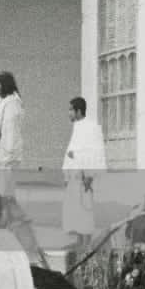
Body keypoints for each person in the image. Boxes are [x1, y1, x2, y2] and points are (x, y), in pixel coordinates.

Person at [62, 97, 106, 246]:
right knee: (75, 212)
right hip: (74, 178)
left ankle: (86, 244)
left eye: (70, 110)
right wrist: (67, 174)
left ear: (78, 111)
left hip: (85, 178)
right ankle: (79, 242)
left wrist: (89, 176)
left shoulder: (91, 127)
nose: (68, 113)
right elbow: (71, 153)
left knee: (85, 211)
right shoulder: (77, 127)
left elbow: (96, 154)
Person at [0, 72, 24, 197]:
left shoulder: (12, 103)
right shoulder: (6, 101)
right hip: (6, 152)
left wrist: (8, 154)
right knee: (4, 188)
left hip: (8, 153)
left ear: (4, 85)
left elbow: (10, 129)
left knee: (4, 189)